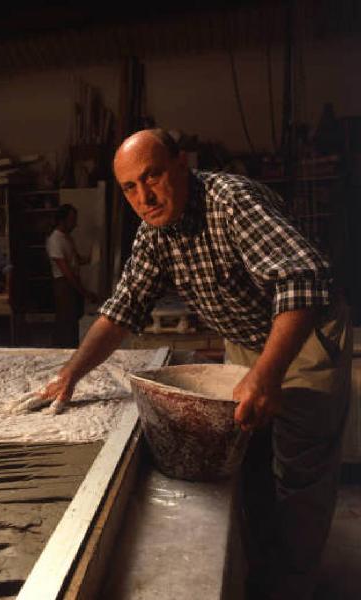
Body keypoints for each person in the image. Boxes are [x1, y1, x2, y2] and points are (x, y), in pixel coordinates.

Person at [18, 128, 352, 600]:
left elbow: (303, 280)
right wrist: (71, 373)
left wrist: (268, 373)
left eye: (152, 176)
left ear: (181, 163)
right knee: (249, 457)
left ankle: (292, 584)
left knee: (299, 472)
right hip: (246, 339)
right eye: (130, 188)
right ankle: (258, 568)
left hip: (300, 333)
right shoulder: (154, 232)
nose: (144, 196)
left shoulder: (230, 201)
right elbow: (122, 309)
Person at [46, 204, 97, 347]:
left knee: (74, 321)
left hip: (71, 282)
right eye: (72, 220)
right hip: (64, 285)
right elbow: (66, 272)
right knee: (66, 321)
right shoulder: (55, 240)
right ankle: (62, 351)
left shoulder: (67, 238)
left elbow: (76, 260)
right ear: (62, 220)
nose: (75, 224)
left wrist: (95, 255)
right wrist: (84, 292)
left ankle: (73, 349)